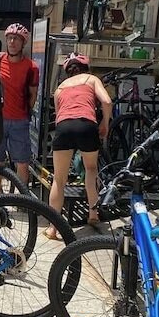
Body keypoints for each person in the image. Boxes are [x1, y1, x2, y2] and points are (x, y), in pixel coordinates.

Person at [45, 53, 112, 240]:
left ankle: (52, 228)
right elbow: (106, 101)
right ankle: (93, 214)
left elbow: (59, 115)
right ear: (85, 68)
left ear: (67, 72)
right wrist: (105, 123)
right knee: (91, 169)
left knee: (59, 179)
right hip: (86, 125)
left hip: (64, 127)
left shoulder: (60, 88)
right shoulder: (91, 79)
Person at [0, 24, 40, 193]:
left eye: (16, 39)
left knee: (22, 162)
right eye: (9, 38)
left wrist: (25, 114)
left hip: (20, 120)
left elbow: (33, 94)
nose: (12, 41)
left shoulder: (31, 67)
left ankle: (22, 199)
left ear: (23, 43)